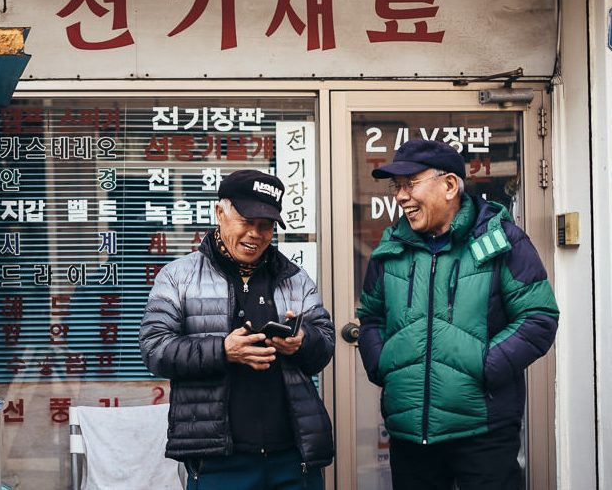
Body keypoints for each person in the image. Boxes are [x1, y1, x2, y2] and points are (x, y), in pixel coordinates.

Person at [356, 140, 559, 490]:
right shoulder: (391, 249)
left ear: (449, 185)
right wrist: (382, 364)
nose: (401, 196)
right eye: (397, 187)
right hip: (410, 431)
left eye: (410, 184)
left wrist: (484, 365)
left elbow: (538, 317)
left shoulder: (501, 240)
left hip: (484, 429)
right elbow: (371, 317)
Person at [139, 169, 334, 490]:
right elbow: (155, 349)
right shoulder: (178, 276)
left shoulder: (295, 278)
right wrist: (223, 350)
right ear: (220, 213)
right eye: (246, 221)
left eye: (266, 226)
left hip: (292, 455)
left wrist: (301, 342)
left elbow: (324, 344)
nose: (256, 234)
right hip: (218, 459)